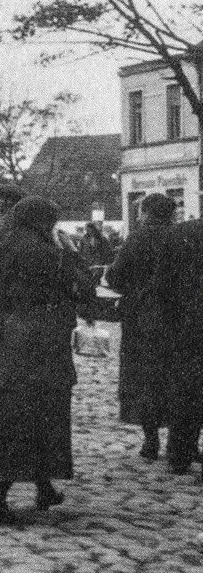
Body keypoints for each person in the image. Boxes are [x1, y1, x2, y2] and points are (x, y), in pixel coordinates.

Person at [0, 196, 97, 525]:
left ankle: (34, 489)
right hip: (45, 345)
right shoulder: (54, 252)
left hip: (0, 343)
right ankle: (5, 494)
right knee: (43, 415)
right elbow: (86, 290)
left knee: (5, 415)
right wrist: (72, 253)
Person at [105, 194, 176, 461]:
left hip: (140, 319)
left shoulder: (137, 239)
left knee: (144, 378)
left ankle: (151, 440)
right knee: (176, 378)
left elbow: (115, 277)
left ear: (146, 213)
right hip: (177, 318)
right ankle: (181, 441)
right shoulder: (179, 237)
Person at [154, 208, 203, 473]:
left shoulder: (179, 233)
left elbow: (161, 285)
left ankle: (180, 453)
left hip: (186, 324)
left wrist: (172, 319)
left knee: (188, 389)